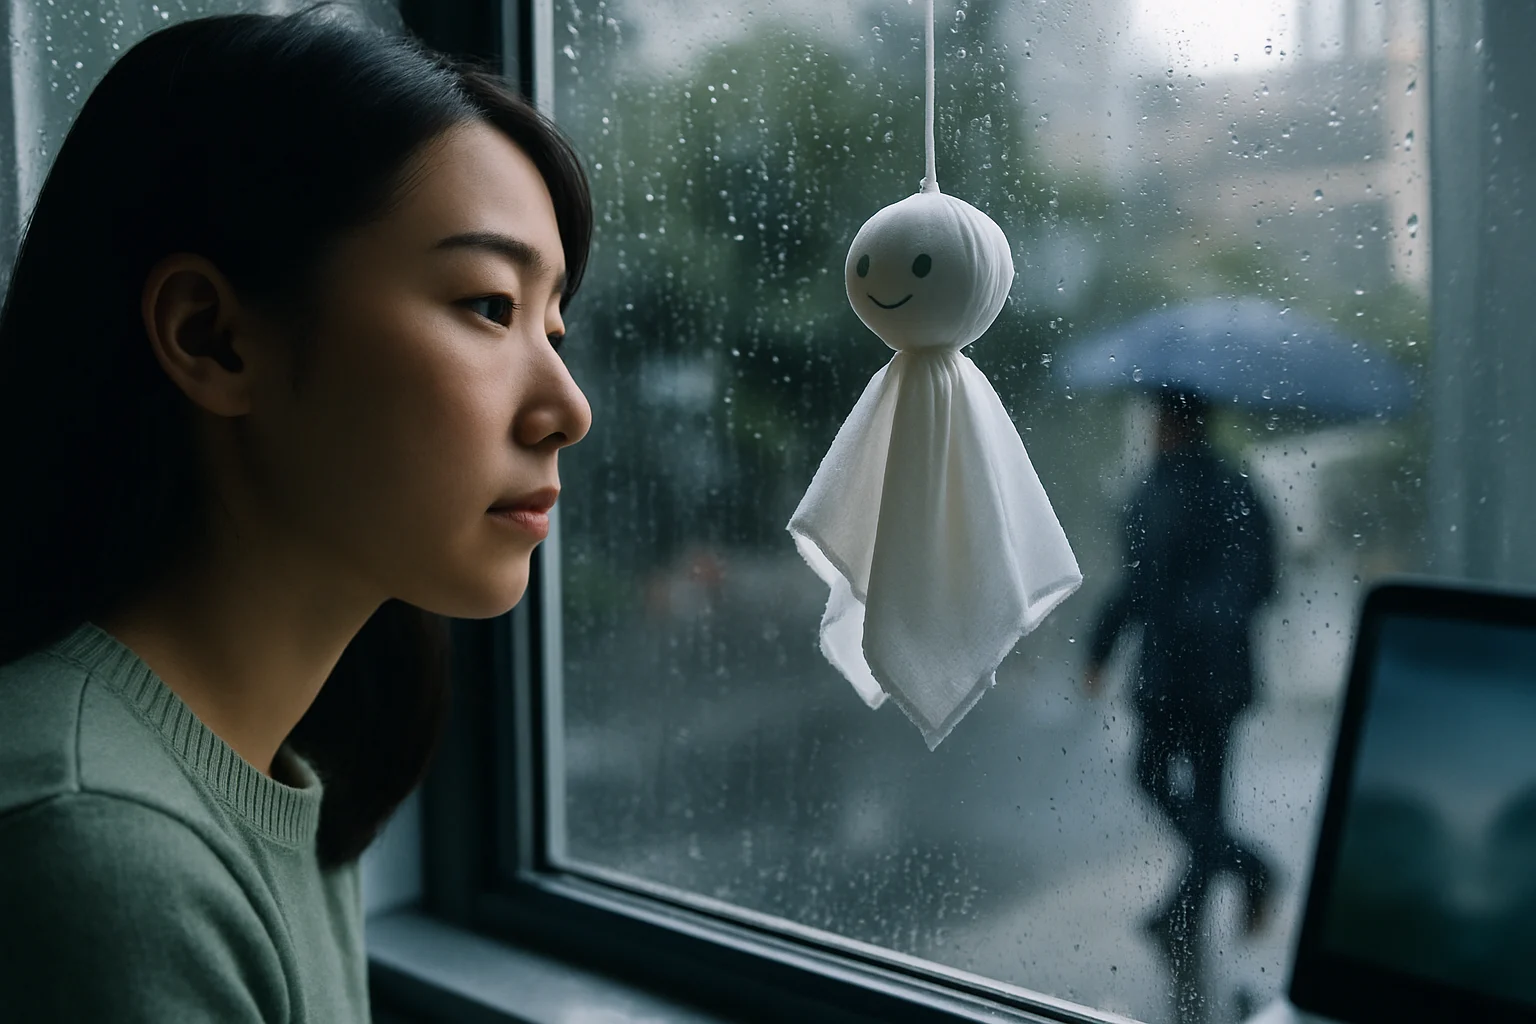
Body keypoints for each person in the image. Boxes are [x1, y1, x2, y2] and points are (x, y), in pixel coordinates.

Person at [0, 9, 591, 1021]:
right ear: (214, 337)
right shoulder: (97, 844)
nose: (567, 409)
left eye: (553, 323)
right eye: (490, 306)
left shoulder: (281, 772)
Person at [1083, 389, 1277, 949]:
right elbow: (1267, 583)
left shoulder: (1155, 491)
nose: (1153, 430)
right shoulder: (1241, 487)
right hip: (1226, 670)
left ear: (1173, 424)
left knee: (1150, 775)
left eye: (1159, 420)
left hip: (1171, 671)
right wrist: (1222, 614)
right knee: (1209, 797)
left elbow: (1137, 585)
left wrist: (1099, 650)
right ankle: (1188, 910)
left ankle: (1250, 869)